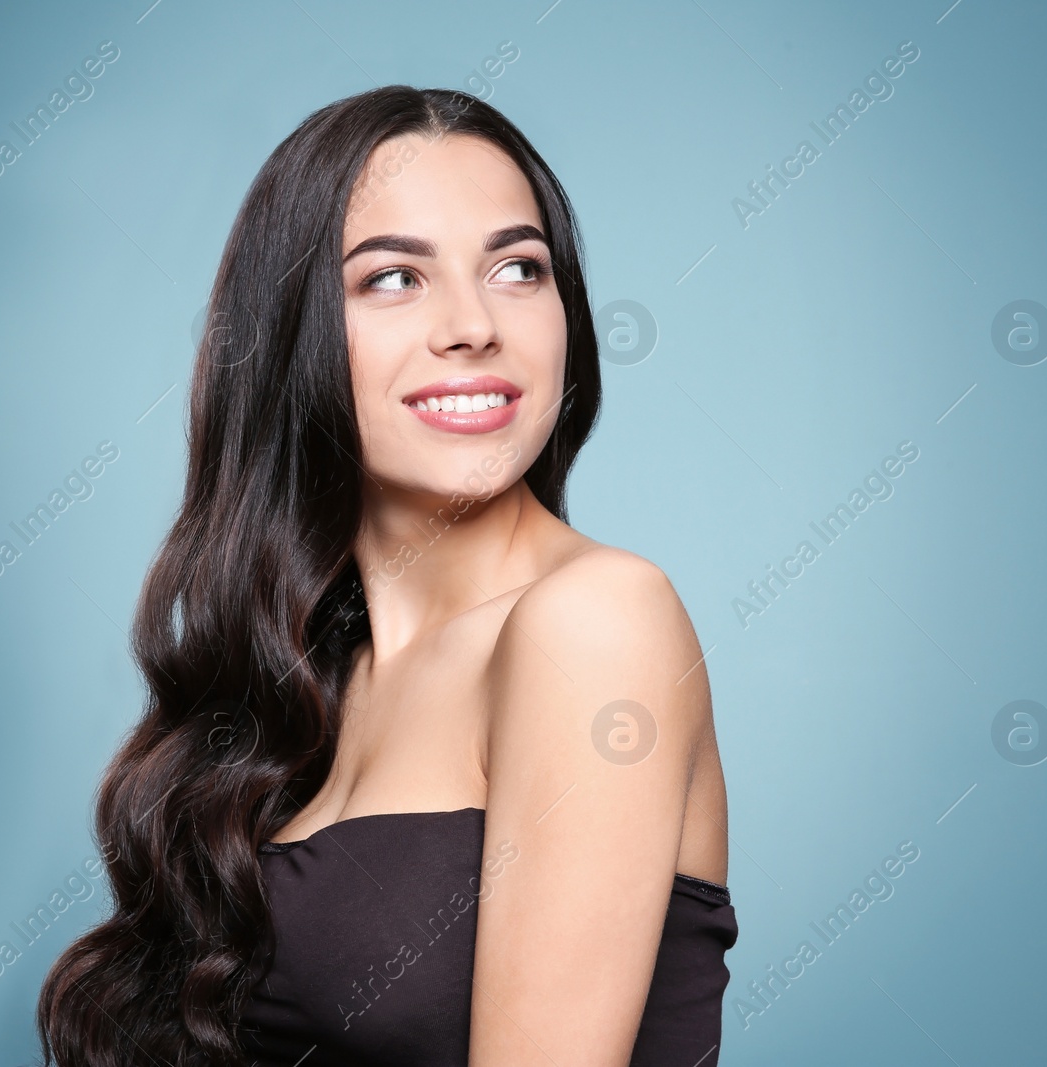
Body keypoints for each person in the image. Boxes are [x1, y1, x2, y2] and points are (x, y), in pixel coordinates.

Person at [36, 84, 735, 1067]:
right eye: (394, 279)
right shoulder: (307, 679)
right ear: (292, 335)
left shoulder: (596, 621)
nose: (472, 323)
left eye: (517, 267)